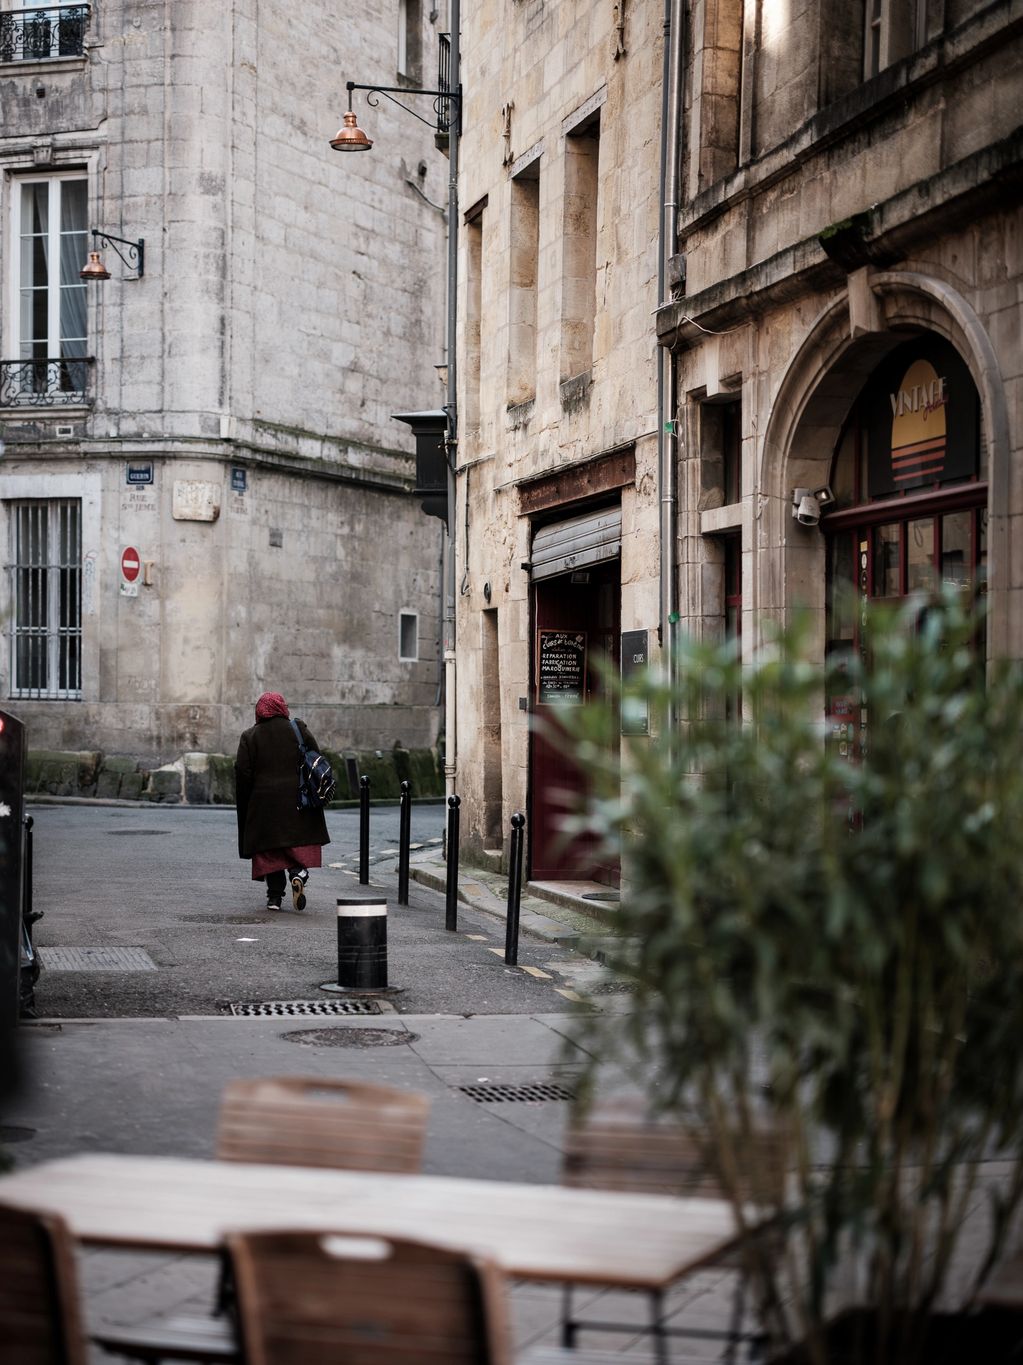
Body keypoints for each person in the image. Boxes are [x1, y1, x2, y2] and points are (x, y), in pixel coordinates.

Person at [235, 692, 330, 911]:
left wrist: (247, 803)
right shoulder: (298, 729)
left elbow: (242, 773)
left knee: (271, 851)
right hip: (298, 799)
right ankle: (298, 874)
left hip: (264, 803)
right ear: (281, 708)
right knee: (295, 845)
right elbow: (315, 756)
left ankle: (274, 898)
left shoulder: (250, 736)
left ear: (259, 711)